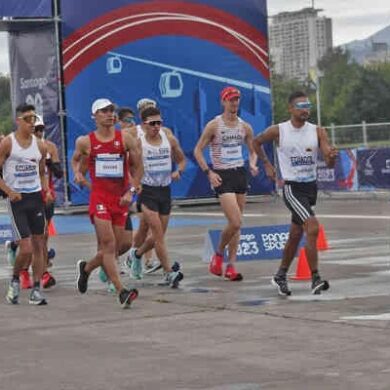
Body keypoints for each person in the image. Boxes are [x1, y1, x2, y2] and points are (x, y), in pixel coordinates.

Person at [253, 91, 338, 296]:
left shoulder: (318, 131)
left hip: (310, 188)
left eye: (307, 105)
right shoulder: (279, 130)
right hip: (292, 188)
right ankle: (315, 278)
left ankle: (280, 275)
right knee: (313, 226)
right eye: (300, 105)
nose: (305, 109)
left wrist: (331, 156)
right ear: (290, 109)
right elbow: (256, 142)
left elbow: (329, 161)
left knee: (295, 234)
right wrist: (266, 164)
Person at [71, 98, 143, 308]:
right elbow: (76, 159)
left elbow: (138, 168)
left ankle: (86, 268)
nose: (110, 114)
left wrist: (131, 191)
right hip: (99, 199)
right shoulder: (86, 141)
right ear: (94, 116)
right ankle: (122, 291)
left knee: (119, 246)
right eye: (104, 111)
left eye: (112, 111)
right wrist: (77, 173)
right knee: (109, 245)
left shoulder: (125, 139)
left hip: (120, 199)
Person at [194, 86, 259, 281]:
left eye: (237, 99)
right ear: (223, 102)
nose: (234, 103)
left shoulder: (245, 126)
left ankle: (231, 266)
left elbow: (253, 149)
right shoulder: (214, 125)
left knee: (236, 225)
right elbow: (198, 150)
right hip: (222, 175)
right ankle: (219, 253)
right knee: (236, 221)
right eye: (230, 99)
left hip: (239, 173)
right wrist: (209, 172)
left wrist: (253, 164)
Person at [126, 106, 186, 287]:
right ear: (144, 125)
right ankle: (169, 273)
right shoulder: (138, 142)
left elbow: (182, 160)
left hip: (165, 190)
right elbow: (128, 166)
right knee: (158, 235)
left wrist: (179, 171)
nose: (156, 127)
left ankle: (136, 255)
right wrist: (135, 185)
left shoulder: (169, 138)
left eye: (159, 122)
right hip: (147, 192)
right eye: (152, 124)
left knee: (158, 236)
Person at [0, 104, 50, 305]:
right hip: (17, 200)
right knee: (26, 248)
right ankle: (14, 279)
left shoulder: (40, 145)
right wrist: (9, 191)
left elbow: (42, 172)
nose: (32, 123)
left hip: (35, 198)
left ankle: (36, 289)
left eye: (34, 118)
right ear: (18, 120)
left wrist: (45, 190)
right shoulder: (7, 143)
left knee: (40, 245)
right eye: (28, 119)